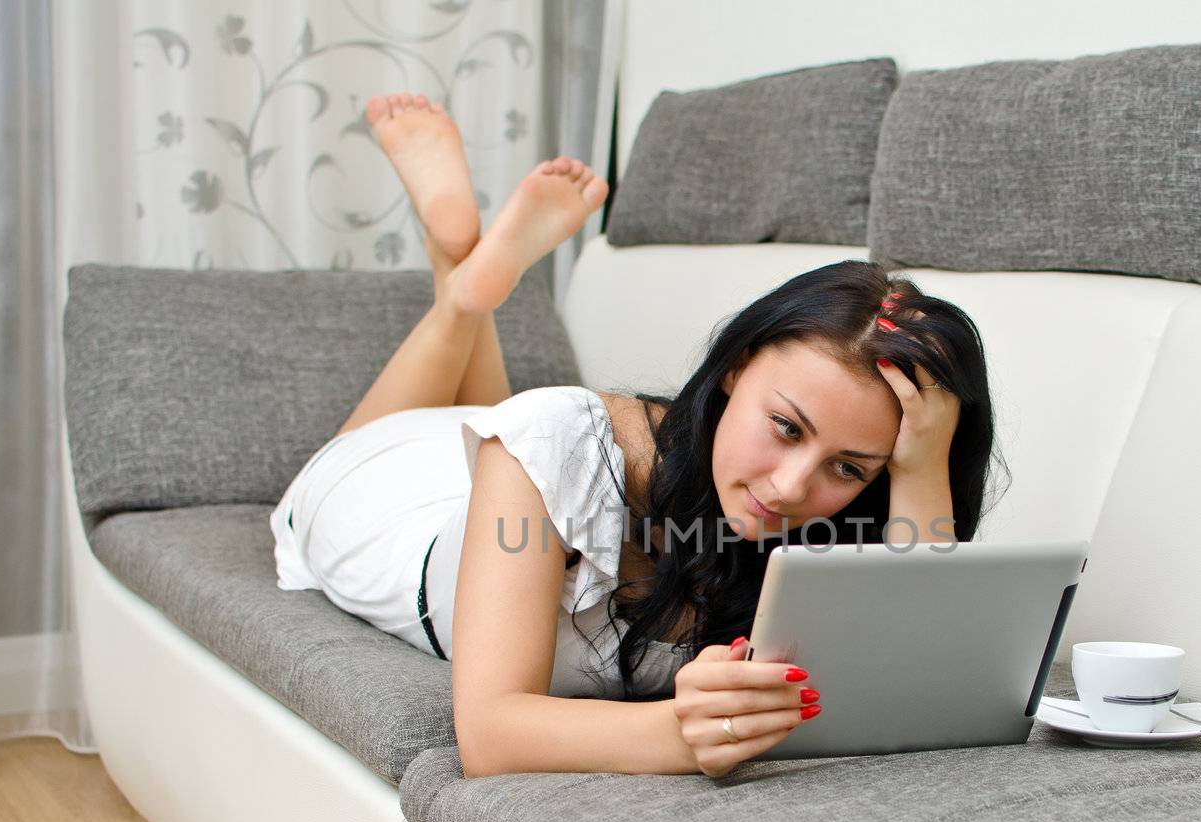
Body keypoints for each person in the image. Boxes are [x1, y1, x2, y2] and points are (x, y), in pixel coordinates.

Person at [271, 93, 1006, 779]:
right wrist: (680, 732)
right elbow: (490, 736)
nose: (791, 487)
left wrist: (920, 464)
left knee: (515, 446)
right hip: (386, 510)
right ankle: (461, 294)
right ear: (736, 368)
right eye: (784, 427)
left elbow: (912, 684)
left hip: (498, 483)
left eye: (848, 468)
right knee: (422, 444)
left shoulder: (841, 516)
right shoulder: (563, 439)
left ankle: (463, 274)